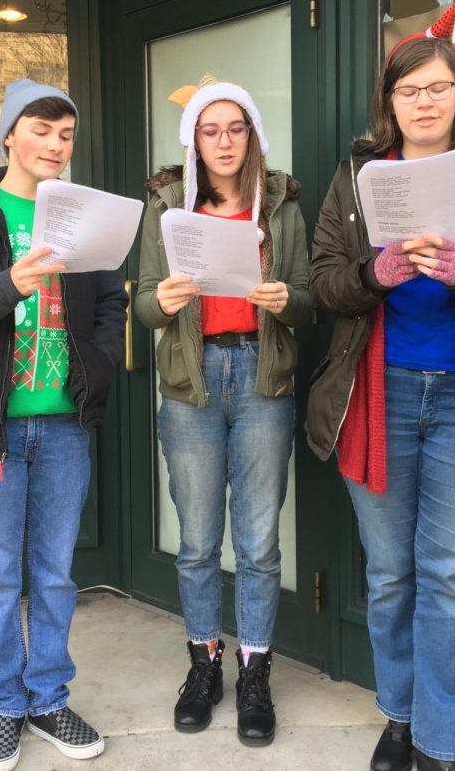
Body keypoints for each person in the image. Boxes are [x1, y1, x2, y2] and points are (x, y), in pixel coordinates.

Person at [305, 3, 455, 771]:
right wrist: (372, 274)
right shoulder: (355, 177)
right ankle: (400, 716)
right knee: (389, 577)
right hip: (375, 397)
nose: (423, 101)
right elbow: (319, 283)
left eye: (437, 87)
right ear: (390, 101)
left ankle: (442, 745)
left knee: (448, 578)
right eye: (408, 89)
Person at [0, 79, 128, 771]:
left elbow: (107, 304)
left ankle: (47, 699)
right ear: (9, 134)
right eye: (41, 130)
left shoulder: (84, 215)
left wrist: (95, 366)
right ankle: (5, 708)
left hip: (64, 425)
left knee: (55, 575)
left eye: (66, 134)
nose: (55, 145)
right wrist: (13, 281)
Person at [136, 76, 311, 747]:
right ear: (194, 144)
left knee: (259, 542)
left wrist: (283, 301)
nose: (223, 142)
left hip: (262, 379)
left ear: (252, 137)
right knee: (198, 541)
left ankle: (255, 670)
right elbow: (145, 303)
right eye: (209, 132)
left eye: (235, 128)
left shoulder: (282, 206)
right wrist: (168, 302)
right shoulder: (168, 206)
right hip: (193, 382)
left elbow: (307, 303)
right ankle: (203, 664)